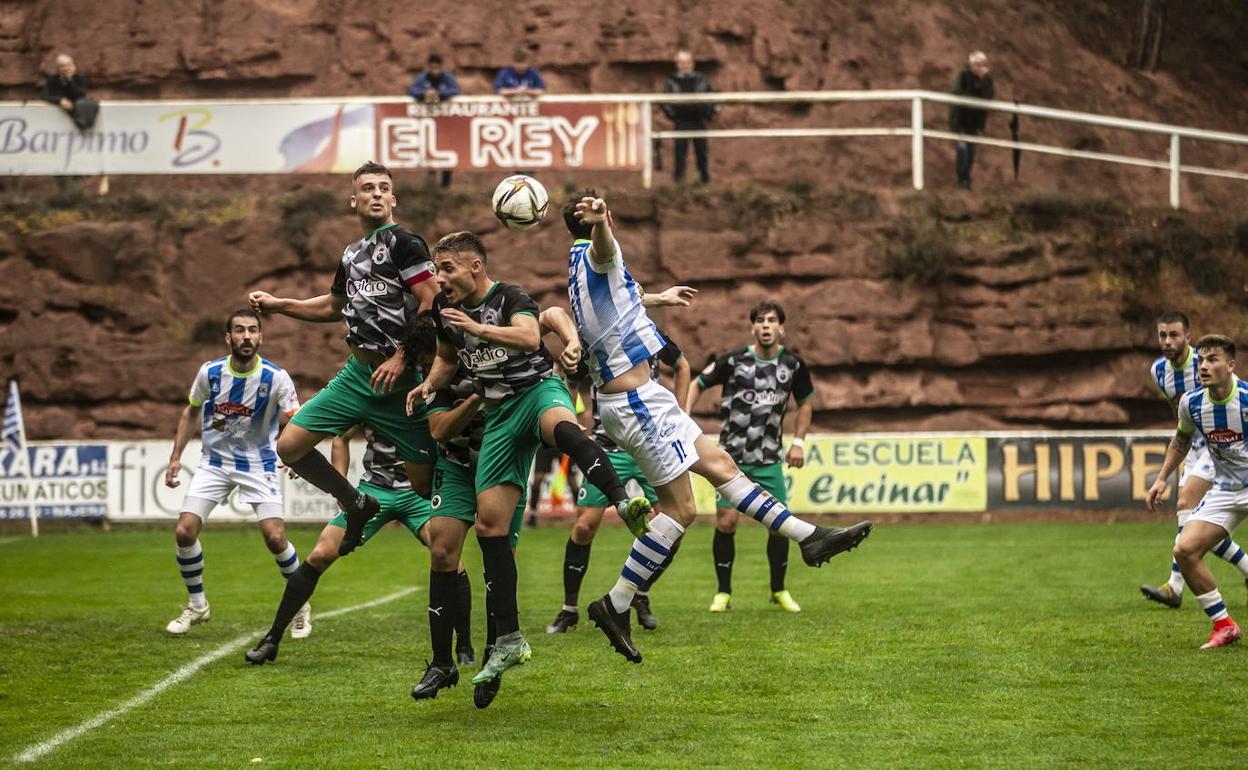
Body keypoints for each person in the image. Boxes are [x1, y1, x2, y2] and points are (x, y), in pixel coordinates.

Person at [561, 190, 873, 664]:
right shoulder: (600, 249)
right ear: (597, 221)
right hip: (635, 400)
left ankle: (809, 537)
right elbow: (608, 253)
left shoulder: (577, 264)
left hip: (639, 398)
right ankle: (616, 602)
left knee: (720, 464)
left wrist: (657, 297)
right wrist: (603, 222)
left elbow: (617, 294)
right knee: (682, 510)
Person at [405, 231, 652, 687]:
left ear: (475, 267)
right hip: (498, 415)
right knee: (489, 527)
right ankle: (510, 640)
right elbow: (445, 354)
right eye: (437, 270)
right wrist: (430, 385)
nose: (439, 278)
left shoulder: (509, 297)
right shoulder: (444, 311)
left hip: (535, 391)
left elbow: (526, 334)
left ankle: (624, 503)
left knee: (563, 427)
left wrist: (480, 328)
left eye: (447, 269)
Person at [244, 316, 478, 680]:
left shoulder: (431, 385)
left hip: (418, 495)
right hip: (376, 487)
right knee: (321, 552)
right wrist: (340, 486)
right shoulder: (374, 386)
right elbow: (340, 435)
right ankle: (273, 637)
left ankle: (463, 645)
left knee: (449, 559)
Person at [248, 161, 439, 560]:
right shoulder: (352, 254)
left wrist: (403, 358)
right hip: (357, 376)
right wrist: (282, 305)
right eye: (367, 188)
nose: (376, 194)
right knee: (290, 447)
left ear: (393, 198)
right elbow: (335, 306)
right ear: (353, 200)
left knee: (424, 487)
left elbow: (431, 301)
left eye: (384, 188)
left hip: (401, 383)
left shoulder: (405, 243)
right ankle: (356, 504)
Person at [163, 309, 303, 636]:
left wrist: (298, 455)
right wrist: (175, 457)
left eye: (253, 330)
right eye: (239, 331)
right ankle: (197, 605)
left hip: (259, 464)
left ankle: (301, 604)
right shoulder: (209, 373)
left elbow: (297, 419)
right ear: (228, 338)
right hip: (214, 463)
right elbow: (191, 411)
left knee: (275, 538)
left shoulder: (275, 377)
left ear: (261, 336)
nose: (246, 337)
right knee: (184, 531)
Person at [547, 325, 691, 634]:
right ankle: (569, 609)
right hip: (607, 446)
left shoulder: (650, 332)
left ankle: (640, 594)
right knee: (584, 527)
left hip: (651, 444)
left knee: (673, 525)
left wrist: (679, 413)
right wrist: (567, 421)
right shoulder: (594, 338)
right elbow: (571, 383)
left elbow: (681, 365)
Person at [686, 301, 815, 614]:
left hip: (769, 457)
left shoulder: (794, 365)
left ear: (782, 328)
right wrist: (684, 419)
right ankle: (724, 593)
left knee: (779, 525)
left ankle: (778, 589)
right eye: (760, 321)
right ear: (752, 328)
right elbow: (696, 384)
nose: (766, 326)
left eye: (772, 321)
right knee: (727, 521)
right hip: (731, 459)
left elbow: (806, 403)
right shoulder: (733, 361)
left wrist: (798, 441)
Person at [1146, 334, 1248, 649]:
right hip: (1227, 489)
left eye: (1213, 359)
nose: (1204, 366)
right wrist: (1162, 477)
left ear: (1231, 365)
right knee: (1184, 549)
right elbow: (1181, 441)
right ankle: (1224, 625)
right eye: (1201, 360)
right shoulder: (1191, 403)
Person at [662, 51, 717, 185]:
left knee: (702, 154)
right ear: (677, 64)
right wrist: (673, 116)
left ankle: (704, 182)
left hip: (699, 121)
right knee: (680, 153)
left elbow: (712, 99)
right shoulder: (671, 82)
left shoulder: (702, 81)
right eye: (682, 63)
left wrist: (708, 113)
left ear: (692, 63)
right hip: (681, 122)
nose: (685, 65)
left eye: (687, 62)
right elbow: (665, 102)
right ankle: (679, 184)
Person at [407, 54, 459, 188]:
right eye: (432, 68)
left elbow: (455, 90)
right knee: (429, 153)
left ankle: (445, 187)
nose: (435, 70)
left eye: (437, 68)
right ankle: (430, 188)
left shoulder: (447, 78)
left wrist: (440, 94)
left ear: (441, 67)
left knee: (446, 153)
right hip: (428, 124)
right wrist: (424, 94)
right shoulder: (422, 78)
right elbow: (412, 90)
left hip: (445, 123)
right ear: (429, 67)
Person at [949, 51, 994, 190]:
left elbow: (989, 96)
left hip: (974, 123)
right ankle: (963, 182)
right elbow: (956, 92)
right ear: (971, 64)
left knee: (971, 153)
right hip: (961, 120)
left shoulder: (987, 79)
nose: (979, 67)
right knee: (962, 150)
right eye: (977, 64)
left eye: (982, 64)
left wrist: (983, 80)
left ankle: (966, 180)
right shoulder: (963, 75)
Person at [41, 53, 97, 130]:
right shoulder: (53, 79)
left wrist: (69, 80)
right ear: (58, 69)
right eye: (62, 66)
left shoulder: (79, 78)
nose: (66, 68)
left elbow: (81, 94)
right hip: (58, 117)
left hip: (76, 111)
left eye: (68, 65)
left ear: (73, 66)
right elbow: (44, 95)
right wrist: (60, 100)